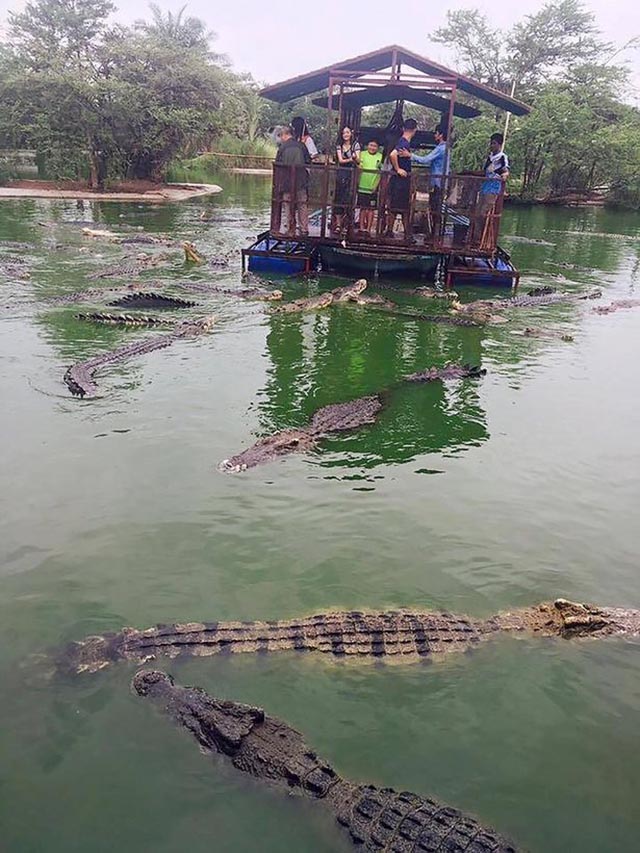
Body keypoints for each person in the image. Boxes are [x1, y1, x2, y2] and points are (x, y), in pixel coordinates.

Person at [410, 124, 449, 236]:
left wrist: (410, 155)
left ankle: (436, 234)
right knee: (435, 208)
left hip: (438, 183)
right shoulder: (445, 148)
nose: (435, 136)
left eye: (436, 133)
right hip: (438, 182)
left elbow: (425, 160)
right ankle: (435, 233)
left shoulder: (441, 148)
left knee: (435, 209)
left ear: (440, 135)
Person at [473, 132, 510, 246]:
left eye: (494, 143)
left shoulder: (502, 157)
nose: (491, 145)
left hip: (493, 189)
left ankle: (481, 240)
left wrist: (504, 176)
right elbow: (485, 172)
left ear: (499, 144)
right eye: (491, 143)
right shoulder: (490, 157)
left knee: (484, 213)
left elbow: (505, 171)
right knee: (477, 213)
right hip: (484, 188)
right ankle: (475, 238)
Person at [274, 125, 311, 237]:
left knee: (288, 205)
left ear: (285, 134)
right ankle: (304, 229)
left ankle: (290, 229)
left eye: (281, 136)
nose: (281, 138)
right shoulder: (302, 146)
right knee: (302, 205)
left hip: (286, 182)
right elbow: (308, 161)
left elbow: (278, 164)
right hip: (301, 181)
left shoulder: (282, 147)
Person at [385, 118, 417, 237]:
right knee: (400, 207)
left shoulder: (403, 141)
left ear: (404, 128)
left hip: (401, 181)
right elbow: (393, 154)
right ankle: (404, 234)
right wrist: (398, 169)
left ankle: (394, 232)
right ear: (415, 130)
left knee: (398, 206)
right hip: (400, 181)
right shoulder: (403, 142)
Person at [333, 126, 360, 235]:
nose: (345, 134)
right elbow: (340, 160)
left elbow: (358, 160)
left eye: (347, 132)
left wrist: (354, 159)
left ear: (351, 133)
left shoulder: (356, 145)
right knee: (339, 198)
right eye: (344, 133)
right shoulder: (339, 145)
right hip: (342, 172)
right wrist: (351, 158)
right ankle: (338, 225)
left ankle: (347, 225)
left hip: (352, 173)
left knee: (349, 198)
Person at [357, 139, 383, 234]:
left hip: (372, 187)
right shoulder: (362, 154)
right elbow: (358, 167)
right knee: (362, 208)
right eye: (370, 145)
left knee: (371, 209)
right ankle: (361, 228)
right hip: (362, 186)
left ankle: (368, 229)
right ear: (367, 145)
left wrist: (376, 186)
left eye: (374, 146)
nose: (372, 147)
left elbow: (381, 173)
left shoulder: (380, 157)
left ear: (378, 148)